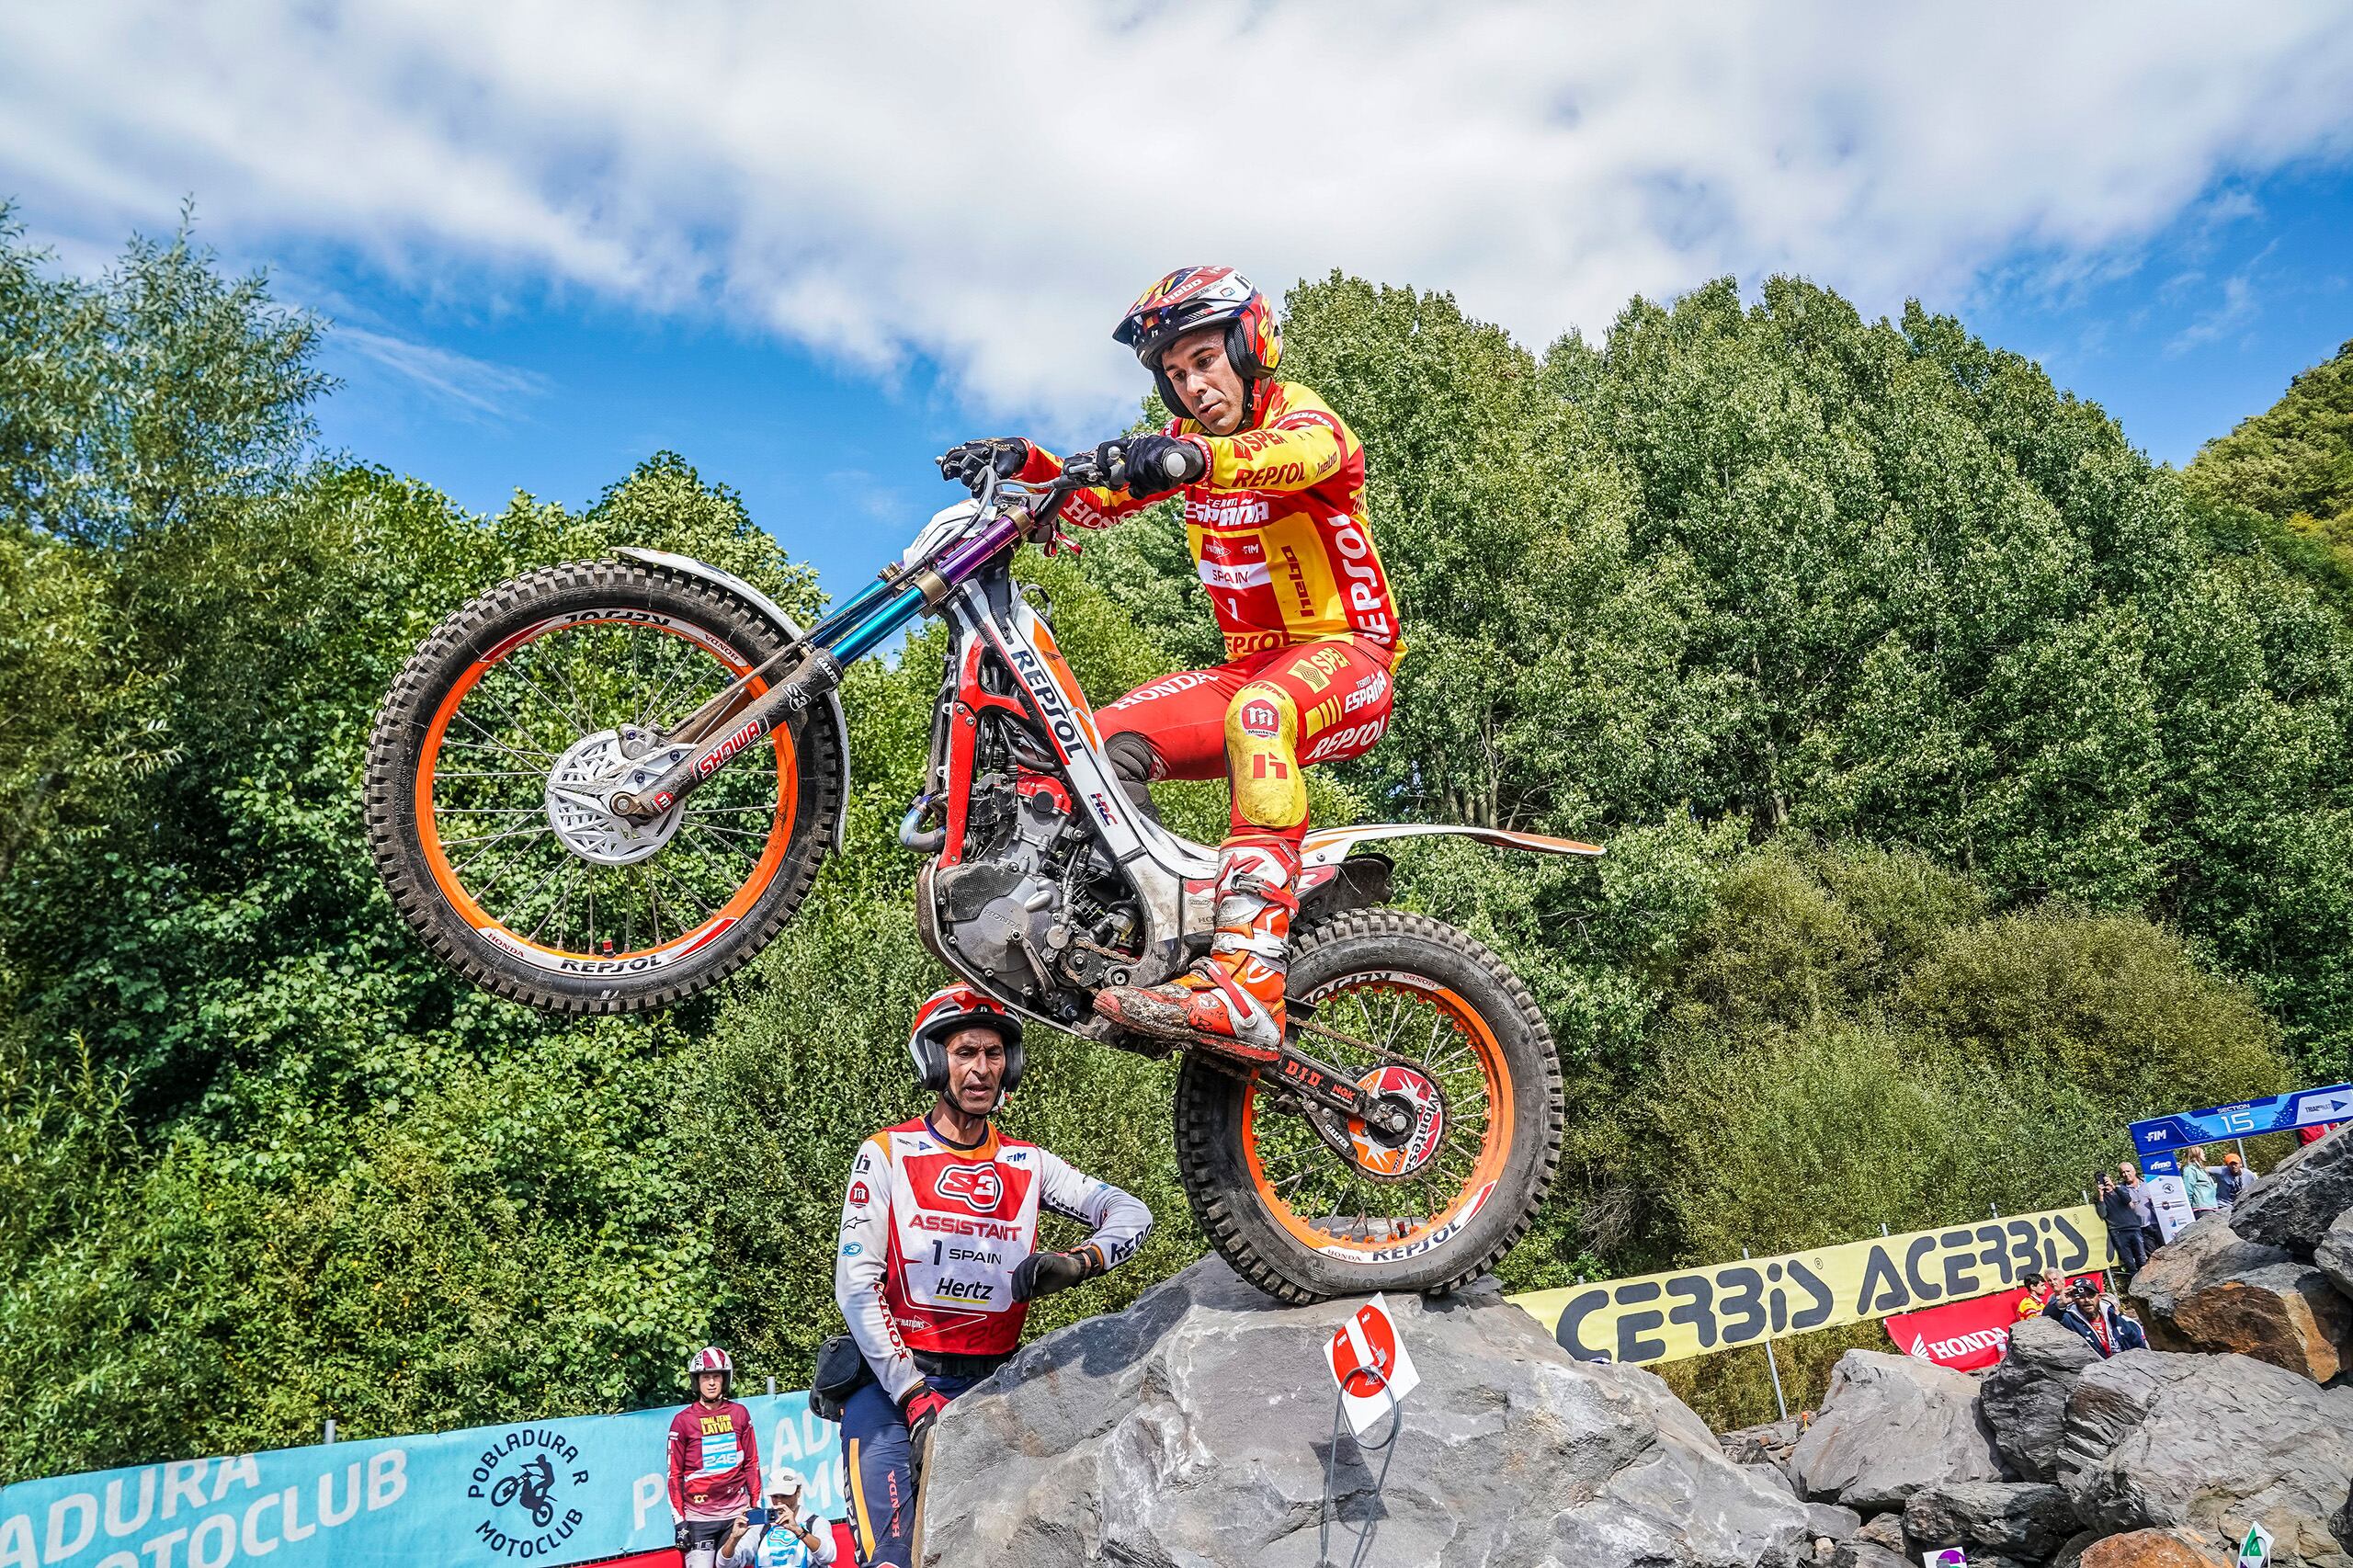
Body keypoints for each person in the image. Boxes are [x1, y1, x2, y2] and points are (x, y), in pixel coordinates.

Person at [938, 265, 1402, 1062]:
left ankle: (1249, 980)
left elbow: (1284, 456)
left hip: (1345, 657)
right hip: (1242, 668)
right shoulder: (1189, 445)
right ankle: (1139, 932)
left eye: (1204, 360)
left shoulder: (1305, 422)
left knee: (1258, 717)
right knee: (1083, 744)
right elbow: (1089, 501)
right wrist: (1029, 463)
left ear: (1250, 344)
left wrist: (1185, 462)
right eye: (1175, 374)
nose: (1191, 386)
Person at [834, 985, 1153, 1568]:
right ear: (933, 1061)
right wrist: (910, 1395)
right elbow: (855, 1285)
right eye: (964, 1053)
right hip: (891, 1393)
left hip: (992, 1390)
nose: (981, 1069)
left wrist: (1081, 1261)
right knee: (893, 1560)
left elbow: (1133, 1212)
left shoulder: (1028, 1164)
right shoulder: (887, 1153)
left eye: (994, 1054)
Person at [668, 1347, 760, 1568]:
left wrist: (755, 1505)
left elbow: (752, 1463)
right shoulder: (683, 1421)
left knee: (733, 1564)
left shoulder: (739, 1414)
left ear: (724, 1380)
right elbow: (674, 1475)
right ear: (697, 1381)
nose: (711, 1382)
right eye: (705, 1377)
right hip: (699, 1518)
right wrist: (680, 1522)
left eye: (716, 1376)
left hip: (738, 1513)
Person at [717, 1466, 835, 1568]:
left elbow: (828, 1556)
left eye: (785, 1496)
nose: (779, 1502)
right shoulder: (761, 1526)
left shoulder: (816, 1522)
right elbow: (724, 1564)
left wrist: (799, 1531)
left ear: (798, 1492)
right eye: (775, 1496)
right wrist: (733, 1539)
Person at [2053, 1279, 2148, 1358]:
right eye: (2081, 1297)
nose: (2087, 1300)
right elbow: (2047, 1319)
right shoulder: (2069, 1319)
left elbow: (2140, 1347)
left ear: (2098, 1297)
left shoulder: (2114, 1318)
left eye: (2090, 1295)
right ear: (2075, 1300)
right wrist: (2060, 1303)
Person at [2095, 1174, 2149, 1274]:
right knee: (2129, 1261)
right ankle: (2135, 1284)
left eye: (2105, 1180)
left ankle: (2146, 1280)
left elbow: (2127, 1200)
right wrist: (2101, 1196)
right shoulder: (2099, 1197)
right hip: (2118, 1231)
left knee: (2142, 1258)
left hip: (2133, 1227)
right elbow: (2102, 1213)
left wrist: (2113, 1186)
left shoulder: (2121, 1189)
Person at [2116, 1163, 2162, 1263]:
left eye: (2128, 1171)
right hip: (2141, 1228)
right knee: (2154, 1256)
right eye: (2122, 1172)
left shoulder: (2148, 1182)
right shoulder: (2122, 1190)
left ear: (2134, 1171)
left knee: (2168, 1249)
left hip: (2158, 1224)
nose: (2126, 1174)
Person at [2179, 1147, 2220, 1216]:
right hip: (2201, 1208)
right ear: (2196, 1154)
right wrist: (2188, 1207)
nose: (2204, 1154)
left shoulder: (2201, 1170)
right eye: (2202, 1152)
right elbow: (2188, 1189)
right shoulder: (2190, 1169)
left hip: (2212, 1206)